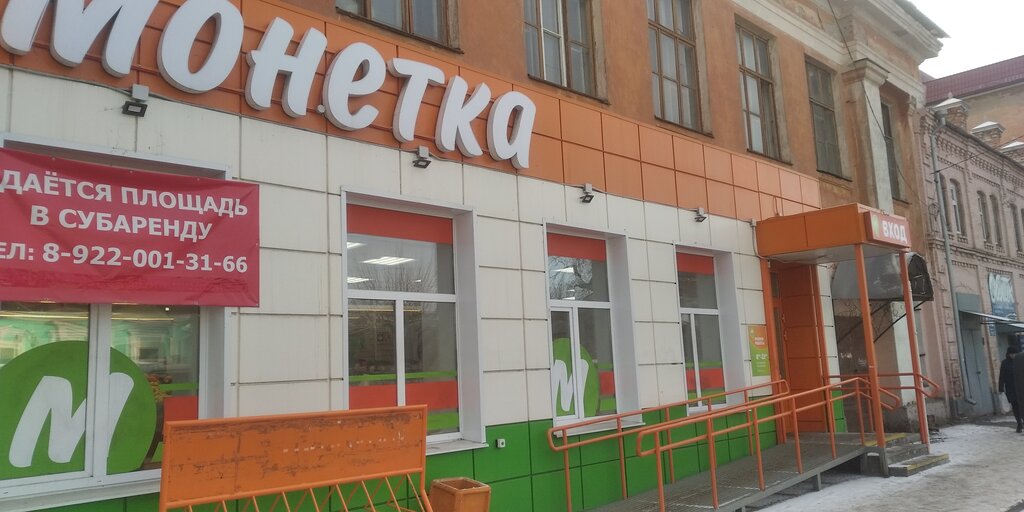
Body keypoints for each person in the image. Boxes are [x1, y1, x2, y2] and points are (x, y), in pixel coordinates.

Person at [999, 345, 1022, 432]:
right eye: (1012, 354)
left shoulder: (1020, 361)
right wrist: (1001, 388)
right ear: (1008, 354)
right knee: (1015, 406)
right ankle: (1019, 423)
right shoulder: (1005, 363)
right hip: (1011, 388)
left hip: (1021, 387)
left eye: (1015, 353)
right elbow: (1002, 376)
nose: (1013, 355)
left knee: (1021, 405)